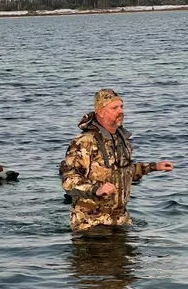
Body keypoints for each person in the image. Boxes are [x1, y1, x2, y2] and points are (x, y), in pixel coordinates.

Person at [60, 89, 173, 232]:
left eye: (121, 107)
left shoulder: (121, 140)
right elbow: (68, 180)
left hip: (120, 220)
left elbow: (125, 171)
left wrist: (154, 167)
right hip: (90, 223)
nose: (121, 111)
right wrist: (96, 189)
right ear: (100, 112)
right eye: (114, 108)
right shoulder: (84, 142)